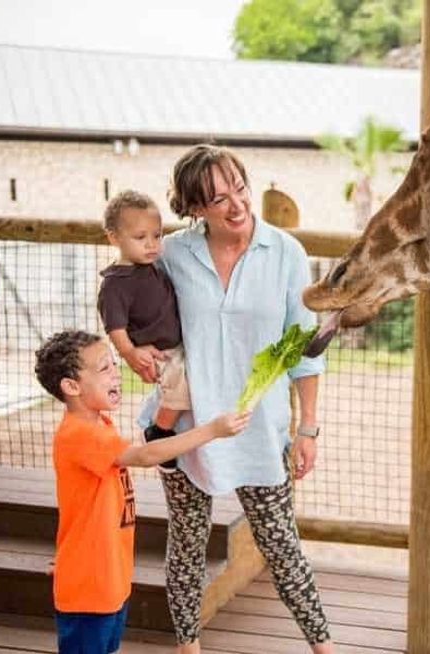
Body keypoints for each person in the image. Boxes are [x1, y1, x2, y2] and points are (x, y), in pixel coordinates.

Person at [136, 144, 333, 653]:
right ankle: (188, 647)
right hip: (186, 428)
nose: (236, 205)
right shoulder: (174, 253)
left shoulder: (285, 252)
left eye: (239, 189)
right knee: (186, 545)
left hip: (258, 427)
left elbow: (304, 349)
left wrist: (307, 427)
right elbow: (140, 309)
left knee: (280, 544)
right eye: (217, 198)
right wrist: (138, 353)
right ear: (195, 208)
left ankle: (323, 647)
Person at [33, 330, 250, 654]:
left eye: (113, 364)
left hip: (108, 579)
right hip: (90, 586)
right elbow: (146, 456)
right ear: (71, 386)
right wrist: (210, 430)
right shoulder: (79, 434)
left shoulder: (99, 426)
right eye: (104, 367)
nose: (116, 371)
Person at [98, 190, 187, 469]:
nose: (151, 244)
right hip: (158, 352)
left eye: (157, 236)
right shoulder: (115, 284)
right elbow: (115, 325)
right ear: (114, 238)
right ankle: (158, 432)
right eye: (140, 238)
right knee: (183, 385)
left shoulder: (151, 266)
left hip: (176, 344)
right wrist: (129, 353)